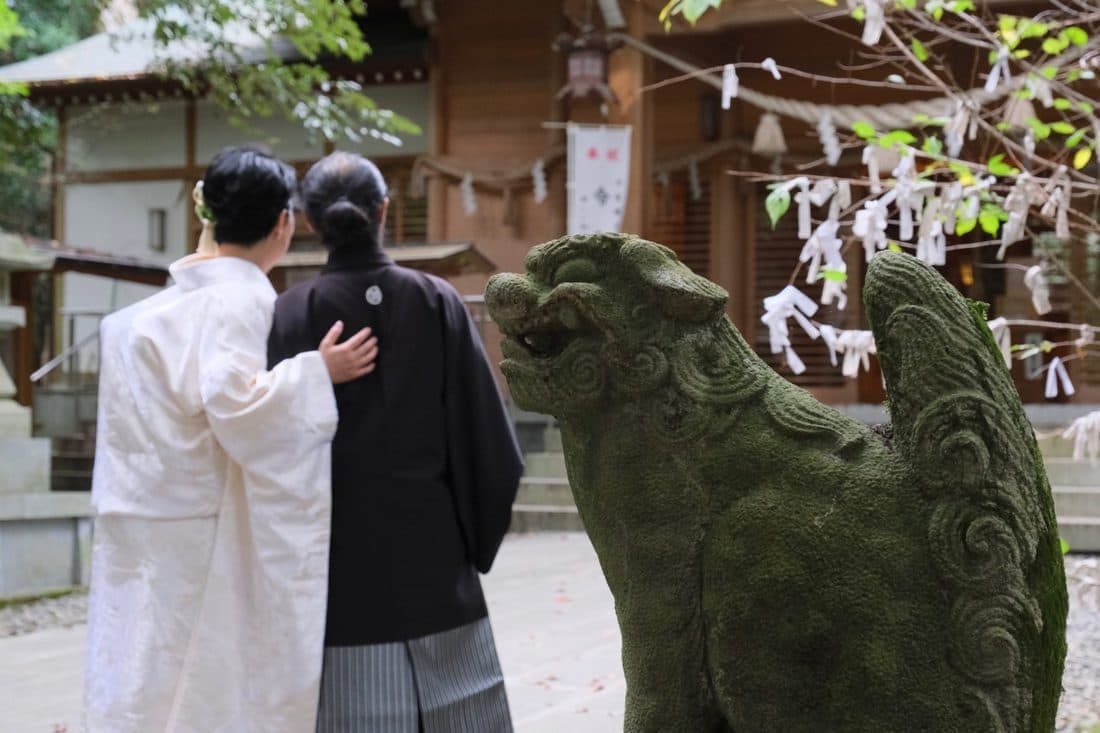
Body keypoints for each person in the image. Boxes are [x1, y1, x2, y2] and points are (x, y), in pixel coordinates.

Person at [83, 146, 379, 733]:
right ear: (283, 224)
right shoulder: (243, 298)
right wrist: (318, 372)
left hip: (133, 513)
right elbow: (236, 405)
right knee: (203, 678)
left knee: (136, 668)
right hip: (198, 524)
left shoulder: (143, 318)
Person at [268, 152, 524, 732]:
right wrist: (467, 549)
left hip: (334, 570)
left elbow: (271, 446)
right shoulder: (437, 302)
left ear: (309, 221)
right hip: (434, 564)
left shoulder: (288, 314)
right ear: (385, 210)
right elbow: (492, 450)